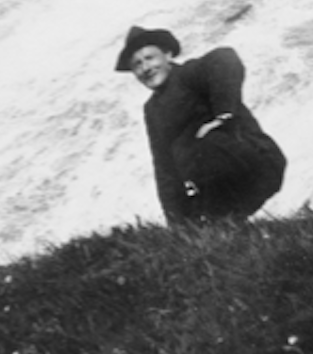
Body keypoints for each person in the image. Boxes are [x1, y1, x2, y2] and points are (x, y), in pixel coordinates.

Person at [115, 25, 286, 226]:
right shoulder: (152, 110)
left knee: (204, 145)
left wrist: (223, 118)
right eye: (137, 64)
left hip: (255, 161)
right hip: (214, 178)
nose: (145, 68)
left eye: (150, 58)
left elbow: (225, 58)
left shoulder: (189, 74)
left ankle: (224, 222)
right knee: (201, 221)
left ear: (168, 55)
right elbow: (164, 167)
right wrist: (176, 222)